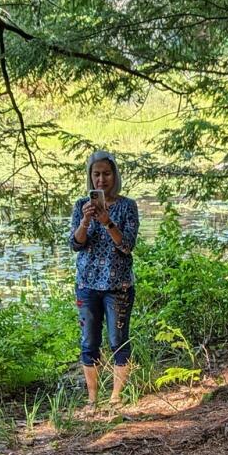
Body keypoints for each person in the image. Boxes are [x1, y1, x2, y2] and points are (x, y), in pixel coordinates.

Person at [69, 151, 139, 409]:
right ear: (90, 177)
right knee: (89, 342)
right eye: (96, 174)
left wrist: (107, 222)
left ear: (115, 175)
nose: (101, 180)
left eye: (106, 174)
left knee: (118, 340)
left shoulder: (127, 206)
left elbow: (127, 246)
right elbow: (75, 244)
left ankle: (116, 397)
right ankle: (92, 399)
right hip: (87, 285)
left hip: (118, 286)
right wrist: (87, 220)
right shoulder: (80, 206)